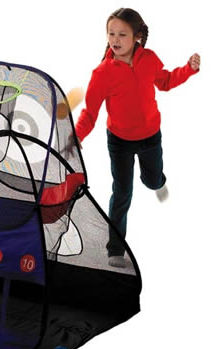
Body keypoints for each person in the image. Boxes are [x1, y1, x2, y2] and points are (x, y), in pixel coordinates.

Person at [72, 8, 200, 268]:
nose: (115, 40)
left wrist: (188, 69)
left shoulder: (149, 59)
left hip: (150, 136)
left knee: (152, 180)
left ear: (137, 37)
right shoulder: (102, 73)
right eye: (111, 34)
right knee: (122, 193)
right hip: (119, 141)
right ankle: (115, 248)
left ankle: (157, 181)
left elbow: (165, 81)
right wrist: (76, 137)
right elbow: (90, 113)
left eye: (122, 34)